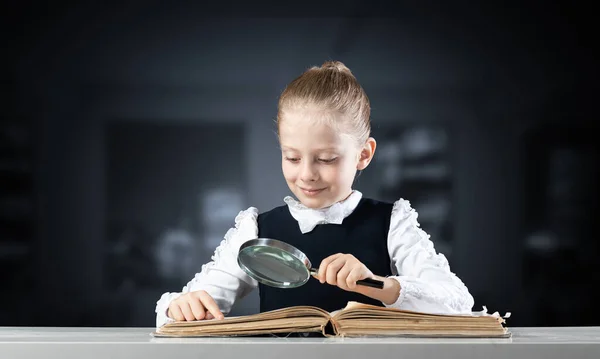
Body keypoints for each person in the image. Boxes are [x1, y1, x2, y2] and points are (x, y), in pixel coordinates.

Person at [155, 61, 474, 328]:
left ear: (363, 154)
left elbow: (457, 302)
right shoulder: (256, 231)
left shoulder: (393, 223)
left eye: (326, 159)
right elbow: (178, 309)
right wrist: (181, 307)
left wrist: (376, 283)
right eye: (292, 157)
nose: (306, 173)